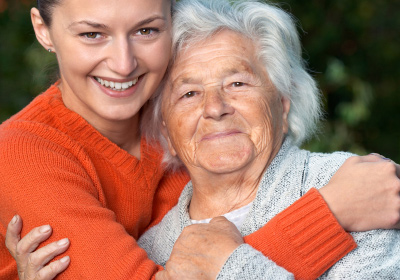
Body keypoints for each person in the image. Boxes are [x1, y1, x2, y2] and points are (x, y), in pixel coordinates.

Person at [2, 0, 400, 279]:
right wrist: (326, 216)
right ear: (43, 29)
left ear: (283, 101)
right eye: (92, 34)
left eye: (146, 30)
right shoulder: (25, 152)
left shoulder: (348, 181)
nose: (123, 64)